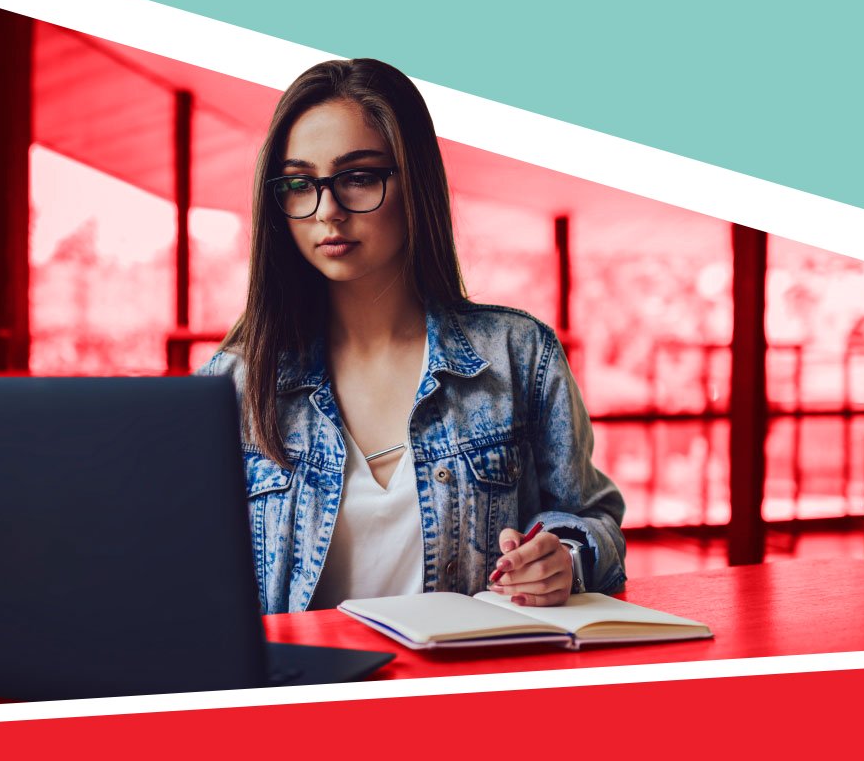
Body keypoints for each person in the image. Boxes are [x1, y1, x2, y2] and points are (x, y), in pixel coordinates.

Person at [198, 58, 625, 615]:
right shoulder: (232, 384)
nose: (327, 211)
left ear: (414, 182)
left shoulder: (517, 356)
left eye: (358, 177)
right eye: (300, 184)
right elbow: (185, 577)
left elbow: (591, 518)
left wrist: (564, 559)